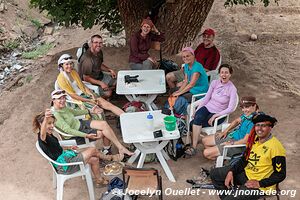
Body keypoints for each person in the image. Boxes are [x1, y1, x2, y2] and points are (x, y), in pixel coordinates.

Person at [33, 109, 124, 187]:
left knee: (94, 159)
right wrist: (45, 118)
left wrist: (69, 147)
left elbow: (56, 148)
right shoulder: (42, 137)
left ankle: (99, 180)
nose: (52, 126)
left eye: (53, 123)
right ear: (42, 124)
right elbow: (42, 133)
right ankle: (111, 158)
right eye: (49, 123)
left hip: (66, 159)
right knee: (92, 150)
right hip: (65, 166)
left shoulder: (49, 135)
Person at [210, 113, 286, 200]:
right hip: (246, 174)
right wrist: (232, 171)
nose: (259, 129)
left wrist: (259, 183)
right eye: (257, 125)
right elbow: (244, 160)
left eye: (263, 126)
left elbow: (280, 174)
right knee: (215, 174)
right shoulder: (254, 140)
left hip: (260, 185)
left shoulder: (276, 147)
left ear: (270, 127)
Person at [51, 89, 133, 157]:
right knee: (102, 133)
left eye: (63, 98)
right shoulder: (56, 114)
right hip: (75, 135)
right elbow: (68, 130)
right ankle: (108, 150)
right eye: (59, 99)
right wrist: (86, 135)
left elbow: (74, 112)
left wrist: (90, 111)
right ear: (53, 100)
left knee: (103, 124)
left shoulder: (63, 107)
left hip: (79, 124)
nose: (62, 100)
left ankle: (118, 148)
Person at [185, 64, 238, 156]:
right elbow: (206, 98)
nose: (224, 75)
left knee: (193, 123)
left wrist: (216, 115)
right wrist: (198, 109)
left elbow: (230, 108)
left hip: (219, 114)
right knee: (196, 118)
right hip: (208, 107)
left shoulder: (232, 89)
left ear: (230, 74)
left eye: (226, 73)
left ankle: (193, 145)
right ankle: (194, 146)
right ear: (219, 74)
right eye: (222, 72)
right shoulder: (214, 83)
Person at [56, 53, 124, 116]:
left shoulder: (73, 72)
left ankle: (126, 117)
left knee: (108, 105)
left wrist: (91, 95)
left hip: (85, 94)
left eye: (71, 63)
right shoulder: (61, 79)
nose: (69, 66)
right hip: (78, 100)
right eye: (66, 64)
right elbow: (73, 96)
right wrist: (88, 100)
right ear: (62, 65)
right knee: (98, 111)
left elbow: (82, 86)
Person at [202, 96, 259, 160]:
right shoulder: (248, 114)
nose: (244, 110)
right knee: (204, 140)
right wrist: (225, 131)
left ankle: (223, 160)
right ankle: (219, 155)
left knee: (206, 153)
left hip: (238, 145)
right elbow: (236, 121)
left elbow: (245, 141)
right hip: (232, 135)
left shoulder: (254, 122)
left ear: (254, 106)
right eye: (243, 108)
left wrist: (231, 143)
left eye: (247, 107)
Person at [167, 47, 209, 116]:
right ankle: (173, 108)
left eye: (188, 56)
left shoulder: (197, 67)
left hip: (199, 92)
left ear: (193, 56)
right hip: (192, 89)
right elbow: (186, 81)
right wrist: (179, 91)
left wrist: (179, 93)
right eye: (183, 57)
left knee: (181, 98)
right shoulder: (186, 65)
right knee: (173, 91)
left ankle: (181, 113)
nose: (185, 58)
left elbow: (191, 84)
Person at [78, 34, 116, 99]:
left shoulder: (99, 51)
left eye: (100, 43)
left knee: (116, 82)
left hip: (99, 76)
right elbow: (86, 78)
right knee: (108, 93)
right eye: (96, 42)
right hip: (90, 82)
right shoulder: (87, 59)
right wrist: (101, 83)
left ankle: (109, 88)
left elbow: (99, 64)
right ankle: (99, 98)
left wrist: (109, 70)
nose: (98, 45)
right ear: (91, 43)